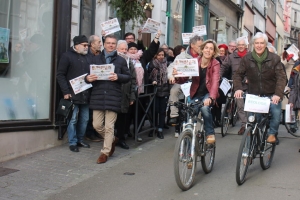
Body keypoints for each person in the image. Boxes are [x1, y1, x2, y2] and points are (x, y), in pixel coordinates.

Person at [234, 32, 286, 143]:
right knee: (252, 122)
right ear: (253, 44)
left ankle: (272, 134)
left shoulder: (274, 59)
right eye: (256, 43)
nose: (259, 45)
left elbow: (281, 78)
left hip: (271, 94)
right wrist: (238, 88)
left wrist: (277, 94)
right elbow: (238, 75)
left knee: (276, 114)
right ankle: (247, 152)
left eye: (261, 43)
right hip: (254, 95)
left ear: (265, 44)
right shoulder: (247, 59)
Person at [86, 34, 131, 164]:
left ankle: (105, 152)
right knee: (97, 125)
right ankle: (111, 140)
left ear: (115, 45)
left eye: (113, 43)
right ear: (104, 44)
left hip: (113, 95)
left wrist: (118, 77)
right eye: (108, 43)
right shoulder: (95, 59)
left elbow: (127, 77)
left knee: (109, 126)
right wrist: (87, 79)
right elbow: (87, 76)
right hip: (98, 95)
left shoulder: (121, 60)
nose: (110, 45)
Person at [173, 39, 220, 144]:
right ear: (202, 49)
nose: (208, 50)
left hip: (208, 93)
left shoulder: (215, 63)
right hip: (195, 93)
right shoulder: (195, 61)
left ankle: (209, 133)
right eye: (206, 48)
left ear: (214, 52)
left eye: (211, 49)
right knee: (190, 118)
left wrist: (211, 97)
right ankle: (190, 151)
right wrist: (178, 75)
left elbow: (215, 82)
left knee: (204, 108)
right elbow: (183, 79)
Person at [56, 35, 92, 152]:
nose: (87, 47)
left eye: (87, 45)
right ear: (76, 45)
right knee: (72, 119)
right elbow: (60, 74)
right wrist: (65, 91)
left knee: (85, 118)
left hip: (86, 93)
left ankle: (80, 139)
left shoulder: (88, 57)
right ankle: (72, 142)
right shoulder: (67, 56)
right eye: (84, 45)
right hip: (72, 94)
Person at [126, 31, 161, 141]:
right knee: (128, 112)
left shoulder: (142, 58)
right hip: (128, 91)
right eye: (131, 49)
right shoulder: (124, 58)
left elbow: (151, 50)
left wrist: (156, 38)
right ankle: (125, 132)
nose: (133, 50)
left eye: (134, 49)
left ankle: (137, 131)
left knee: (140, 112)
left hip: (141, 90)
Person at [168, 36, 204, 137]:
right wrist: (171, 76)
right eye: (199, 46)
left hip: (196, 82)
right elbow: (172, 66)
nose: (202, 48)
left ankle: (197, 131)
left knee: (198, 103)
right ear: (192, 45)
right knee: (174, 90)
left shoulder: (203, 55)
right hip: (183, 81)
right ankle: (174, 115)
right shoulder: (182, 56)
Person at [220, 37, 249, 135]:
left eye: (243, 45)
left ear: (246, 46)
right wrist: (219, 75)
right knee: (240, 104)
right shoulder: (232, 56)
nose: (241, 46)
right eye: (239, 45)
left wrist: (249, 78)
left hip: (248, 84)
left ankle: (250, 123)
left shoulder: (250, 56)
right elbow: (224, 66)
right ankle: (244, 125)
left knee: (248, 105)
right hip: (237, 84)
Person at [115, 40, 136, 149]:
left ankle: (121, 139)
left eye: (125, 49)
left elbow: (133, 80)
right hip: (114, 94)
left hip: (125, 95)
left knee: (123, 119)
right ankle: (112, 139)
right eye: (121, 49)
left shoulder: (129, 61)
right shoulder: (112, 60)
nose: (123, 51)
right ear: (117, 49)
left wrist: (132, 96)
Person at [85, 35, 103, 142]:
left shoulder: (100, 55)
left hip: (98, 86)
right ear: (92, 44)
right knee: (90, 112)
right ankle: (89, 133)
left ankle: (96, 132)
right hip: (88, 87)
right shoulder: (87, 55)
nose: (100, 44)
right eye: (99, 42)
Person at [148, 48, 169, 139]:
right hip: (154, 90)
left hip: (164, 90)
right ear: (156, 55)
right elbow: (148, 75)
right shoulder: (152, 64)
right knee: (154, 110)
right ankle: (153, 128)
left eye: (162, 55)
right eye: (159, 55)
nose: (161, 57)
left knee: (162, 111)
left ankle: (160, 129)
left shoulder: (166, 63)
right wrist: (153, 81)